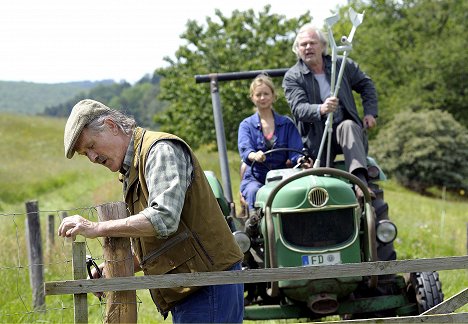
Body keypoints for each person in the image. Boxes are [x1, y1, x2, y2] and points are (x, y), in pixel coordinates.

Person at [58, 99, 244, 323]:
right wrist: (113, 269)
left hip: (208, 287)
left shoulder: (159, 151)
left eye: (90, 146)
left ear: (111, 125)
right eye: (85, 154)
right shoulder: (133, 166)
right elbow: (158, 240)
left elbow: (163, 218)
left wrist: (96, 228)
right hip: (194, 285)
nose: (93, 158)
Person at [282, 23, 378, 198]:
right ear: (297, 50)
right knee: (320, 186)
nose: (308, 47)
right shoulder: (292, 77)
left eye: (312, 43)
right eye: (303, 45)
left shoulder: (341, 65)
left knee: (348, 125)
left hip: (345, 132)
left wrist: (370, 112)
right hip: (316, 138)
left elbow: (366, 84)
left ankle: (360, 184)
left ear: (323, 46)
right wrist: (321, 108)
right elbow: (298, 108)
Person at [238, 74, 308, 215]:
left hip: (282, 176)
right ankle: (254, 222)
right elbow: (245, 149)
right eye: (258, 94)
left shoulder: (286, 123)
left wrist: (300, 159)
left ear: (273, 96)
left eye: (266, 94)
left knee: (298, 192)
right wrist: (254, 155)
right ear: (252, 97)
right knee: (253, 191)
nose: (262, 98)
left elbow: (295, 151)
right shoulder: (246, 125)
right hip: (255, 176)